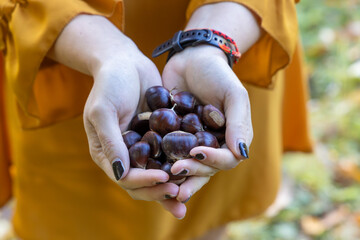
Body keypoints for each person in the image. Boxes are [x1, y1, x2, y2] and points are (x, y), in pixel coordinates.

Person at [0, 0, 312, 239]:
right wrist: (106, 52)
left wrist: (211, 38)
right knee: (74, 222)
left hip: (228, 36)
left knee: (203, 215)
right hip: (75, 53)